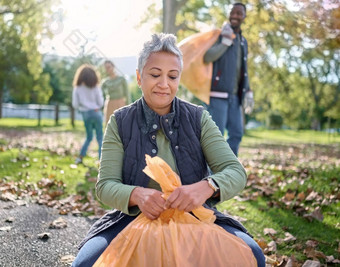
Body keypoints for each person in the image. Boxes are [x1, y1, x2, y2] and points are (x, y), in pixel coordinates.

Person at [72, 33, 265, 267]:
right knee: (85, 264)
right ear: (139, 77)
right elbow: (105, 186)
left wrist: (207, 187)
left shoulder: (198, 118)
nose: (164, 84)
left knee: (252, 255)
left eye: (172, 76)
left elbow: (235, 171)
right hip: (133, 218)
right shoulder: (120, 121)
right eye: (155, 75)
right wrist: (136, 195)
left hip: (194, 217)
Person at [204, 3, 254, 156]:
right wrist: (224, 43)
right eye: (233, 12)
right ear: (229, 14)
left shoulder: (243, 41)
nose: (235, 16)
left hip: (235, 98)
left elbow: (242, 69)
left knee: (237, 134)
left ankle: (228, 171)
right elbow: (207, 57)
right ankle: (212, 175)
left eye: (239, 13)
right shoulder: (219, 35)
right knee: (215, 138)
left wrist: (248, 90)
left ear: (244, 17)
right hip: (217, 95)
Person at [72, 64, 104, 164]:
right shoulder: (96, 87)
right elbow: (101, 103)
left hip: (85, 114)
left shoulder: (77, 88)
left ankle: (80, 157)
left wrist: (83, 107)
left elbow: (75, 104)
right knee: (100, 137)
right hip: (96, 112)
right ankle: (101, 160)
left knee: (89, 137)